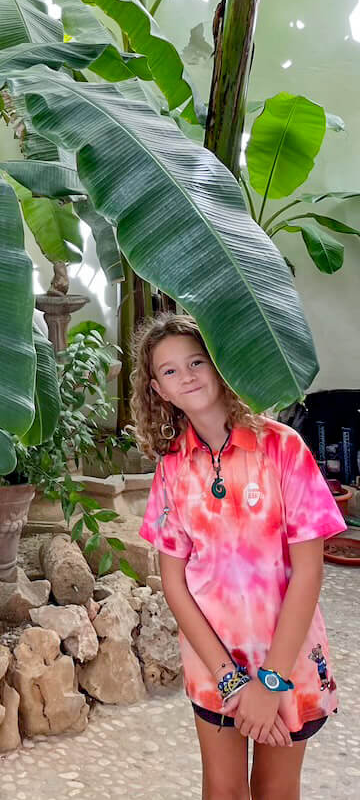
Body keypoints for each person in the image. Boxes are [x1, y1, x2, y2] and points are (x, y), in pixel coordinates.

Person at [133, 313, 344, 800]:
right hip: (214, 665)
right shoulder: (170, 471)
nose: (185, 375)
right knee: (223, 792)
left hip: (288, 665)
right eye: (169, 371)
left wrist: (269, 682)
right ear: (158, 390)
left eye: (196, 361)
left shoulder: (283, 448)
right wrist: (232, 682)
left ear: (220, 364)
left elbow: (310, 572)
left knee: (275, 791)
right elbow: (175, 584)